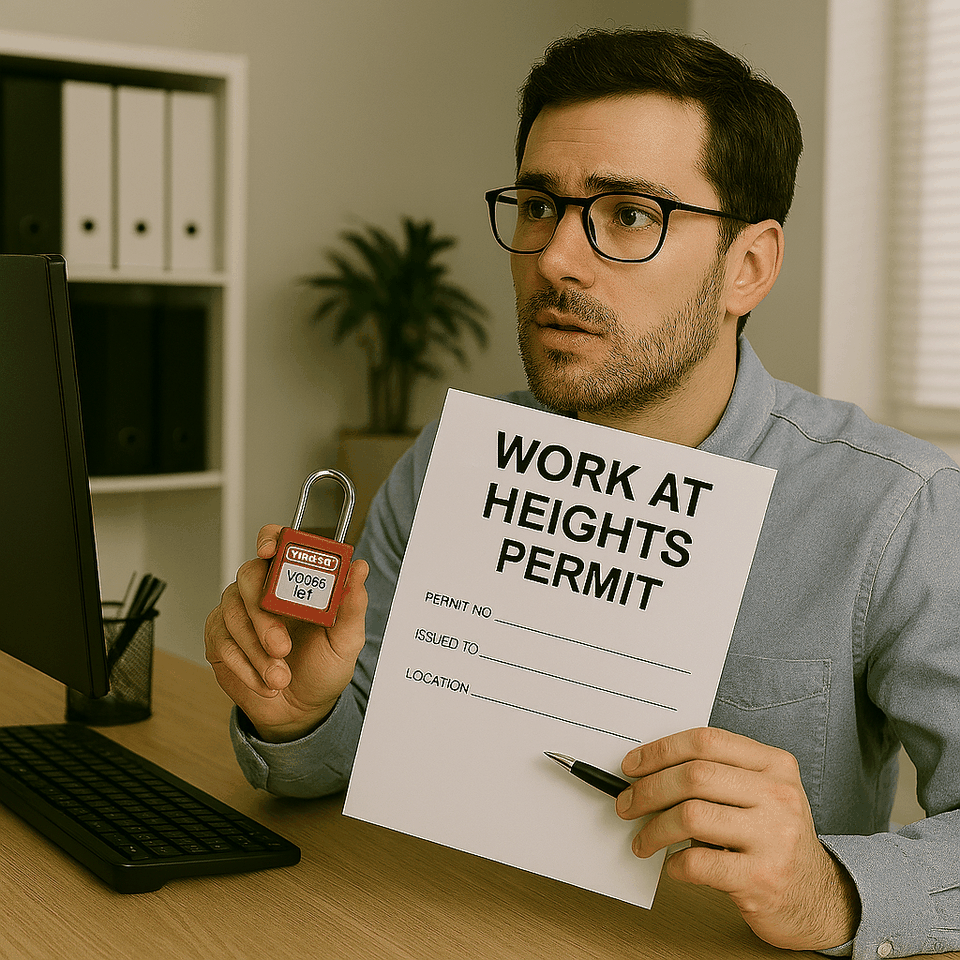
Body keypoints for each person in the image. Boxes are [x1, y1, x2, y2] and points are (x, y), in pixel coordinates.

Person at [204, 27, 960, 959]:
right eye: (538, 204)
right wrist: (301, 712)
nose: (557, 257)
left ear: (749, 267)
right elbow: (345, 768)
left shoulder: (898, 508)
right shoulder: (452, 459)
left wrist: (829, 890)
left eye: (630, 214)